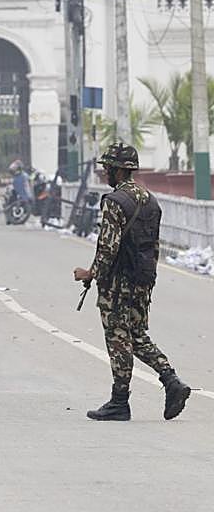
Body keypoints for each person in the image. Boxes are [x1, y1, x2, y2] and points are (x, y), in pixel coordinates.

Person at [72, 142, 190, 421]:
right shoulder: (151, 200)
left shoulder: (115, 202)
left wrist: (91, 274)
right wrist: (146, 280)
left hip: (118, 283)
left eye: (107, 169)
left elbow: (108, 248)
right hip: (142, 280)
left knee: (118, 338)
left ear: (116, 170)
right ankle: (171, 380)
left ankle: (119, 401)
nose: (105, 174)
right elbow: (153, 246)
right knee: (136, 336)